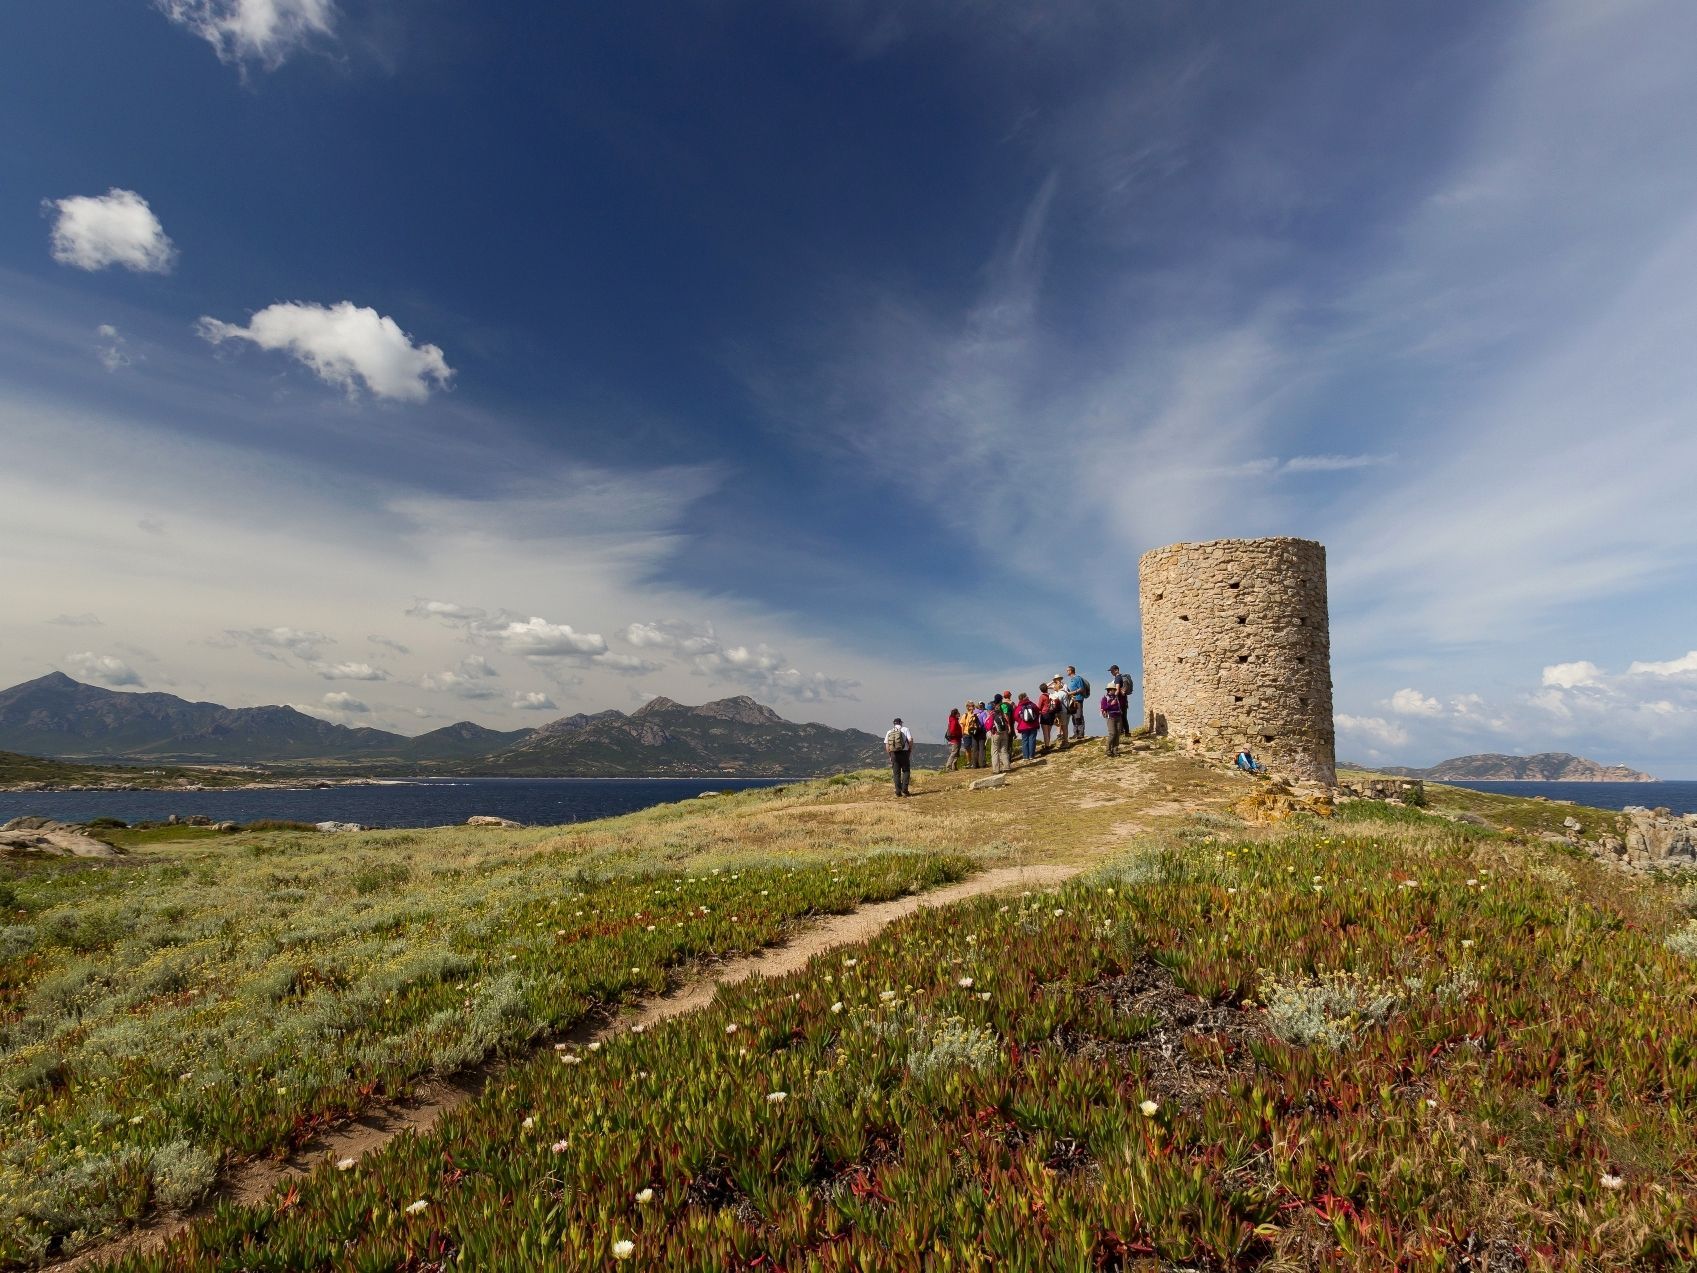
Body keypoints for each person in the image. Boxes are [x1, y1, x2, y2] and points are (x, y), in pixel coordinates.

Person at [885, 717, 913, 796]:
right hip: (904, 753)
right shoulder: (905, 729)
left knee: (896, 773)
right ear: (901, 723)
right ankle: (904, 790)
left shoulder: (889, 731)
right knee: (906, 771)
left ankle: (898, 792)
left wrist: (890, 755)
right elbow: (910, 740)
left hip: (894, 754)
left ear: (894, 724)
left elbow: (887, 745)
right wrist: (910, 750)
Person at [1100, 683, 1128, 756]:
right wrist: (1111, 704)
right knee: (1112, 733)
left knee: (1118, 733)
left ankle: (1115, 750)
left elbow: (1120, 703)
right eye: (1113, 689)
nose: (1115, 690)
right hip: (1110, 717)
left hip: (1118, 716)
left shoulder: (1116, 697)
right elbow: (1103, 708)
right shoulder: (1105, 698)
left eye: (1114, 689)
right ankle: (1108, 750)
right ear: (1109, 690)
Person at [988, 694, 1013, 773]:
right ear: (1001, 699)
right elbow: (1006, 717)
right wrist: (1009, 727)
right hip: (1004, 731)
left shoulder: (992, 707)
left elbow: (989, 722)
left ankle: (996, 769)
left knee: (995, 751)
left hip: (996, 733)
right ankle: (1007, 767)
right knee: (1004, 750)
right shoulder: (1003, 706)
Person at [1063, 666, 1088, 740]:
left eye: (1068, 670)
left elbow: (1081, 689)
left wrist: (1071, 693)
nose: (1067, 672)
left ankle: (1080, 733)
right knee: (1074, 716)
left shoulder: (1077, 678)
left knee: (1078, 716)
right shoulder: (1072, 679)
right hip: (1072, 700)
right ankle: (1075, 733)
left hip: (1078, 699)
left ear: (1071, 671)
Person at [1014, 690, 1040, 761]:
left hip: (1023, 726)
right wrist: (1034, 719)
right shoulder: (1032, 704)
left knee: (1024, 741)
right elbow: (1037, 712)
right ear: (1025, 697)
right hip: (1033, 725)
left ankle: (1025, 757)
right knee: (1032, 740)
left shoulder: (1019, 707)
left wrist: (1021, 721)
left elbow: (1015, 716)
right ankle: (1031, 755)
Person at [1037, 683, 1057, 752]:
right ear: (1047, 688)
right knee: (1049, 731)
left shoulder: (1042, 696)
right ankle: (1048, 745)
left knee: (1045, 732)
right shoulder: (1051, 695)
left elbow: (1039, 707)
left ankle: (1047, 747)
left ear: (1041, 690)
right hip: (1052, 714)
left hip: (1044, 714)